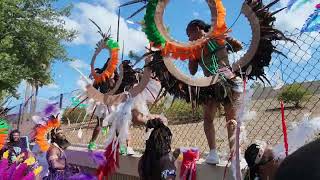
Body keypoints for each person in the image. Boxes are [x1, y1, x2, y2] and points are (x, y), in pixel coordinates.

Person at [186, 19, 243, 164]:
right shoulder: (195, 48)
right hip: (209, 83)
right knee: (208, 118)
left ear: (197, 28)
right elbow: (192, 71)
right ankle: (213, 153)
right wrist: (192, 54)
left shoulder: (217, 37)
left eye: (189, 34)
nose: (188, 38)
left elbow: (238, 46)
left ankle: (235, 155)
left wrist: (223, 38)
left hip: (228, 79)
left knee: (232, 118)